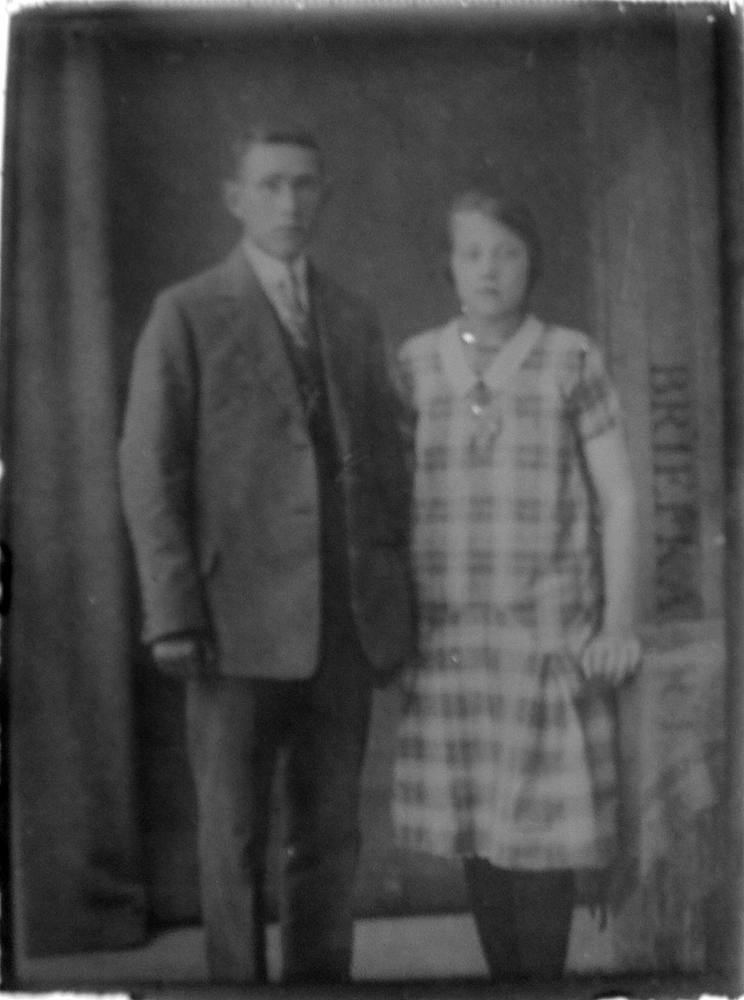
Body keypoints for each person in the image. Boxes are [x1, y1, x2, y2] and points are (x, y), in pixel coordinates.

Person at [118, 126, 414, 985]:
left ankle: (320, 987)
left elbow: (385, 468)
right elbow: (148, 468)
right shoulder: (186, 311)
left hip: (343, 623)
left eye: (306, 185)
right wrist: (172, 612)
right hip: (231, 623)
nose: (290, 202)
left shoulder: (352, 315)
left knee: (329, 833)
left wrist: (389, 603)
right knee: (235, 833)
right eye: (271, 185)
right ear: (235, 199)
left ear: (324, 196)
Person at [392, 184, 641, 982]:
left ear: (532, 263)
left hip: (544, 637)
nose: (489, 270)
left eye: (507, 253)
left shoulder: (570, 357)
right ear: (449, 265)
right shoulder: (417, 364)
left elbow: (619, 497)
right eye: (472, 253)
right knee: (479, 828)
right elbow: (390, 504)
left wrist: (617, 623)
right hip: (451, 642)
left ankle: (543, 988)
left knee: (539, 837)